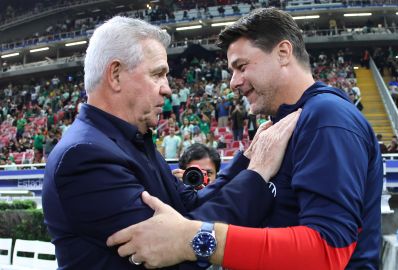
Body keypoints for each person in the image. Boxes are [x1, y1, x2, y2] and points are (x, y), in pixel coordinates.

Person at [107, 8, 383, 269]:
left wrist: (195, 239)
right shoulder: (282, 124)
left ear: (283, 53)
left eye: (241, 66)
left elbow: (327, 251)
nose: (233, 82)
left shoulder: (328, 118)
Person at [42, 16, 300, 270]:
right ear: (116, 75)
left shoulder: (131, 140)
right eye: (158, 75)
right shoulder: (84, 156)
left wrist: (247, 158)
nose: (167, 89)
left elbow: (193, 205)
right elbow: (174, 254)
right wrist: (258, 174)